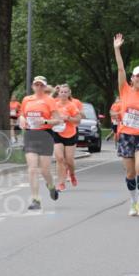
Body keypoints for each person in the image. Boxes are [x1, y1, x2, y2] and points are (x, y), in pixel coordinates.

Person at [113, 34, 139, 217]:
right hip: (125, 135)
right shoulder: (125, 90)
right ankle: (133, 201)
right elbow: (120, 69)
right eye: (138, 76)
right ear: (132, 78)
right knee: (130, 173)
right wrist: (117, 49)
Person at [18, 75, 62, 210]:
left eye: (41, 85)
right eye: (36, 85)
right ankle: (36, 199)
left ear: (44, 87)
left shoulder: (49, 100)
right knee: (32, 169)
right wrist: (21, 120)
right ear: (32, 86)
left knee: (44, 170)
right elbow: (21, 114)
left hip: (45, 135)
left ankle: (51, 186)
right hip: (30, 134)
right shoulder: (27, 99)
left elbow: (58, 120)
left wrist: (45, 121)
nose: (38, 87)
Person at [52, 84, 83, 190]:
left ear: (69, 93)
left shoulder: (72, 105)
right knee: (60, 158)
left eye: (66, 92)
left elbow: (78, 119)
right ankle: (61, 183)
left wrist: (68, 118)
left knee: (69, 160)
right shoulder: (54, 104)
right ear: (58, 93)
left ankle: (72, 174)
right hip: (57, 133)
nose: (63, 94)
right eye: (61, 92)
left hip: (70, 133)